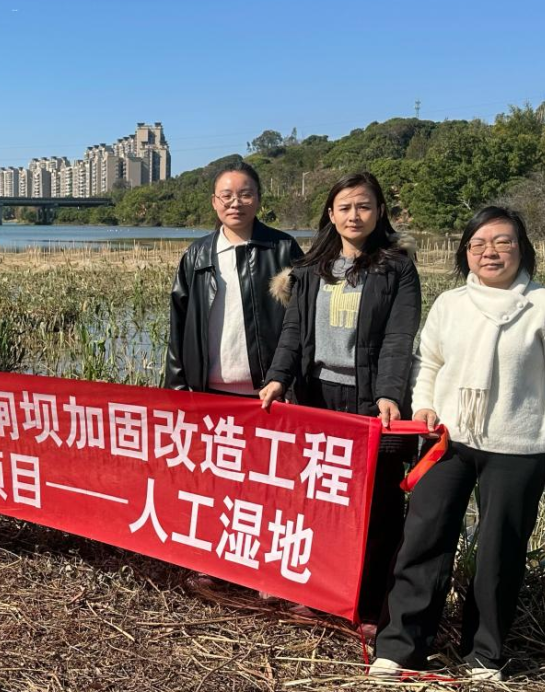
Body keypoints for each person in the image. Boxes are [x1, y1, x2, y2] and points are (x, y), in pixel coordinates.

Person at [370, 206, 545, 681]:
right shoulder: (451, 303)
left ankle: (484, 654)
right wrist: (424, 408)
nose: (491, 252)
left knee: (499, 554)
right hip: (448, 439)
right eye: (479, 244)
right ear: (465, 252)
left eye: (503, 242)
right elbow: (428, 363)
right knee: (423, 540)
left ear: (522, 249)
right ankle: (400, 647)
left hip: (518, 448)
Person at [259, 172, 421, 627]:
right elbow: (293, 331)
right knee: (317, 496)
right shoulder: (311, 268)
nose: (354, 215)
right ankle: (316, 591)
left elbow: (399, 337)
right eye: (345, 207)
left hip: (370, 400)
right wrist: (277, 378)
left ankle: (368, 605)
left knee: (378, 504)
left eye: (363, 206)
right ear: (330, 214)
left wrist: (389, 392)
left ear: (380, 212)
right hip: (316, 397)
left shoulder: (397, 268)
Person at [165, 160, 304, 395]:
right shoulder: (196, 255)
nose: (235, 203)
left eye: (245, 195)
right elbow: (178, 326)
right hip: (206, 391)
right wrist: (176, 388)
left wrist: (290, 385)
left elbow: (302, 322)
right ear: (214, 202)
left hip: (270, 393)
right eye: (226, 196)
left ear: (258, 199)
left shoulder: (283, 248)